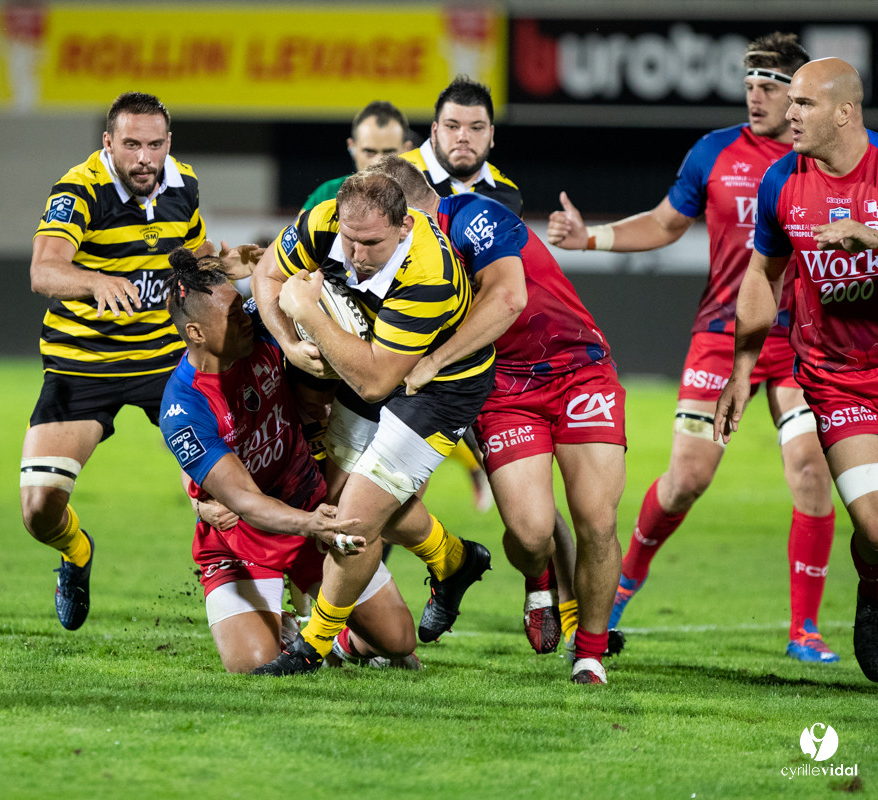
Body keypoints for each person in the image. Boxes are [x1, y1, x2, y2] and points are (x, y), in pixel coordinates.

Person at [547, 34, 840, 664]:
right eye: (749, 85)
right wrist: (589, 239)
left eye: (769, 86)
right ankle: (621, 587)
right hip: (720, 337)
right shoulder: (716, 152)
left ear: (801, 94)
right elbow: (664, 222)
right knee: (684, 481)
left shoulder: (827, 159)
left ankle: (805, 630)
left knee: (812, 475)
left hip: (801, 343)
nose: (754, 96)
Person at [376, 156, 625, 683]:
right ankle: (537, 577)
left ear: (402, 213)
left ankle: (590, 655)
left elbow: (509, 297)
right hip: (504, 387)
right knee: (531, 531)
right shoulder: (396, 254)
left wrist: (434, 362)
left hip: (578, 367)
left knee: (597, 520)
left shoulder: (472, 218)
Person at [19, 91, 256, 631]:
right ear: (108, 143)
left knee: (229, 492)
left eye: (154, 145)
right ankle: (77, 552)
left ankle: (268, 610)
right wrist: (96, 280)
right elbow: (44, 270)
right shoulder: (79, 190)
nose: (144, 158)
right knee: (38, 511)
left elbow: (190, 261)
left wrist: (230, 264)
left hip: (167, 364)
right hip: (83, 365)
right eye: (131, 145)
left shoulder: (184, 183)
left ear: (168, 143)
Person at [249, 173, 495, 675]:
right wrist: (291, 343)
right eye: (349, 240)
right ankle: (453, 560)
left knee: (353, 520)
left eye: (371, 243)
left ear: (404, 226)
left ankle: (312, 649)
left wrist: (311, 317)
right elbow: (267, 276)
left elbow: (376, 383)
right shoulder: (325, 221)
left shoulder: (430, 273)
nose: (357, 254)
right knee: (334, 496)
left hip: (440, 389)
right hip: (372, 359)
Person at [158, 248, 418, 672]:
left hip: (308, 506)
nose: (246, 315)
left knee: (399, 639)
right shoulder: (184, 407)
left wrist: (266, 266)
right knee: (255, 667)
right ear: (196, 332)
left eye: (242, 306)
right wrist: (313, 524)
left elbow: (313, 274)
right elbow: (242, 501)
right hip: (241, 541)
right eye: (232, 314)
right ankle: (281, 625)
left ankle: (343, 644)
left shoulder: (257, 328)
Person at [715, 57, 878, 682]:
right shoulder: (782, 180)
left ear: (844, 112)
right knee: (873, 521)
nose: (789, 113)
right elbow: (764, 274)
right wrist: (742, 366)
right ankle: (872, 575)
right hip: (836, 378)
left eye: (804, 104)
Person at [400, 76, 521, 215]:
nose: (463, 137)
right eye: (452, 126)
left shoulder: (507, 194)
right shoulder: (394, 180)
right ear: (434, 132)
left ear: (491, 135)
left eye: (476, 128)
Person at [301, 101, 414, 212]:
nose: (378, 161)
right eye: (369, 152)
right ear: (352, 148)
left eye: (389, 152)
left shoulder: (424, 198)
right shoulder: (326, 195)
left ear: (407, 150)